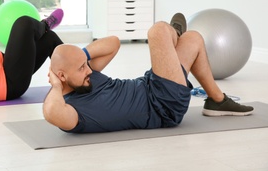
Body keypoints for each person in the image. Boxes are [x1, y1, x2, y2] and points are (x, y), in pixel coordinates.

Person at [43, 13, 254, 133]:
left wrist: (81, 56)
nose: (88, 69)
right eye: (81, 68)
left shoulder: (85, 77)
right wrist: (55, 86)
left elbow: (113, 43)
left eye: (86, 65)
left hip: (151, 84)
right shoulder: (72, 112)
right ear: (61, 77)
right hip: (162, 106)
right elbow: (51, 112)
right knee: (158, 31)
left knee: (194, 39)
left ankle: (217, 101)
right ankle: (172, 37)